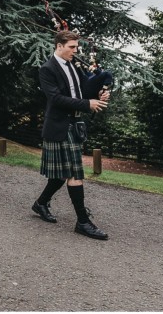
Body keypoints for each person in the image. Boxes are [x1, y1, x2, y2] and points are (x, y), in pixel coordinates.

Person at [32, 30, 111, 240]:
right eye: (72, 47)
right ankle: (83, 222)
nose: (75, 51)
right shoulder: (47, 69)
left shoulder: (74, 66)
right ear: (59, 46)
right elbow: (56, 99)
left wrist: (98, 94)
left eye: (76, 47)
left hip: (74, 124)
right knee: (74, 174)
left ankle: (40, 204)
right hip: (59, 126)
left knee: (60, 175)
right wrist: (88, 104)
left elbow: (82, 90)